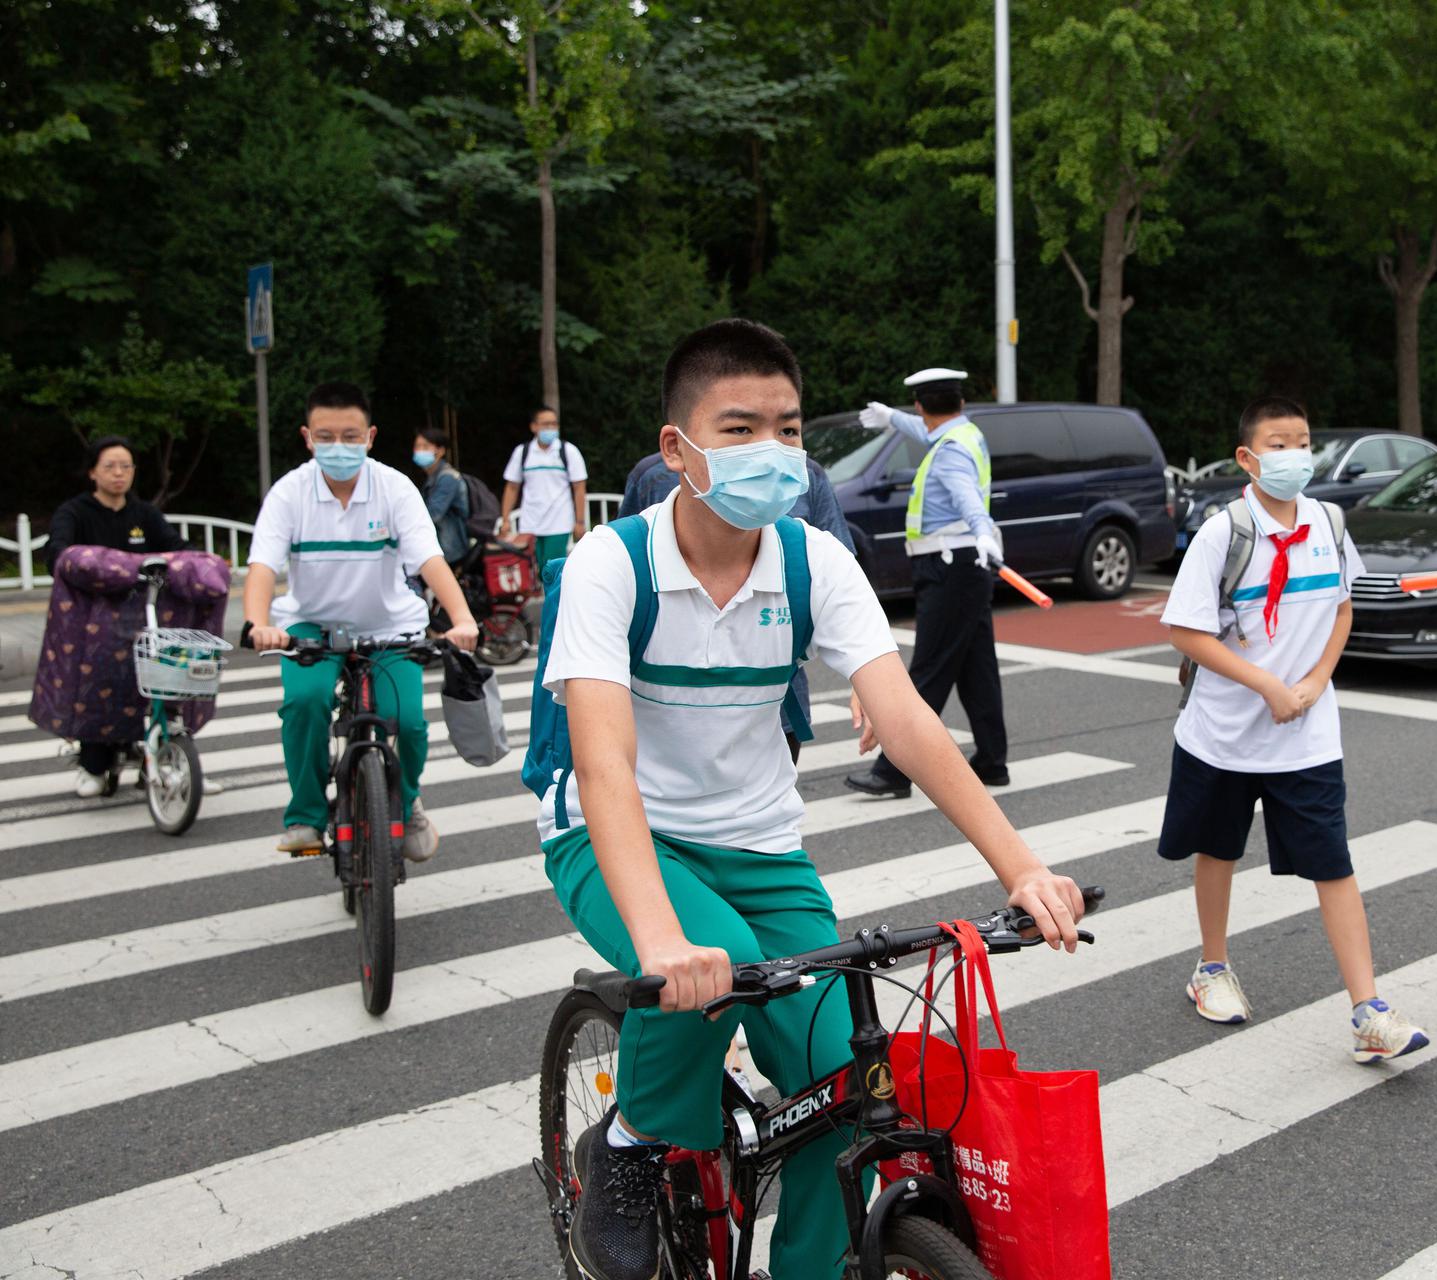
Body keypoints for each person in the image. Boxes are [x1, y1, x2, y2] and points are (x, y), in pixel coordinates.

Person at [538, 319, 1085, 1280]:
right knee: (719, 965)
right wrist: (663, 939)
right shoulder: (609, 564)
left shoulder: (811, 560)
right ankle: (625, 1144)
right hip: (616, 839)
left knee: (849, 1090)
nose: (774, 452)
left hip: (762, 851)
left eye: (789, 430)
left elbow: (907, 722)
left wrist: (1023, 867)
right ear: (679, 450)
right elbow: (604, 765)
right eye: (740, 429)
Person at [1159, 396, 1430, 1064]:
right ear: (1247, 458)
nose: (1294, 455)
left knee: (1333, 864)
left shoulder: (1330, 522)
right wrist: (1267, 684)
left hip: (1308, 737)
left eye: (1302, 441)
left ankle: (1368, 1010)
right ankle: (1212, 969)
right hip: (1222, 733)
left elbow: (1341, 610)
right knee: (1218, 849)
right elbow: (1186, 630)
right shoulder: (1226, 532)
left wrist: (1312, 683)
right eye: (1278, 444)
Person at [243, 382, 480, 858]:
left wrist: (462, 619)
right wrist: (256, 623)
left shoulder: (394, 487)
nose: (339, 446)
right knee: (305, 704)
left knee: (410, 722)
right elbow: (263, 567)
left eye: (350, 436)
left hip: (391, 627)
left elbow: (429, 560)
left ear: (370, 436)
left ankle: (408, 803)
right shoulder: (289, 493)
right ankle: (306, 816)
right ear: (307, 437)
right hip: (311, 624)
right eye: (326, 436)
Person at [620, 447, 859, 761]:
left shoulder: (804, 473)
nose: (768, 444)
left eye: (787, 428)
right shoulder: (651, 477)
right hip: (664, 717)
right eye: (739, 427)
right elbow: (625, 574)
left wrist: (864, 676)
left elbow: (842, 584)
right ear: (676, 443)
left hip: (775, 709)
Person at [842, 368, 1008, 798]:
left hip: (949, 565)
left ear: (921, 404)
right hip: (967, 564)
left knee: (928, 669)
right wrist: (892, 417)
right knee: (976, 669)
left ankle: (893, 771)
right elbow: (925, 428)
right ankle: (992, 761)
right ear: (961, 404)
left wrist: (982, 530)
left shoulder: (950, 450)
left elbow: (965, 495)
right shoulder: (963, 434)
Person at [45, 436, 192, 798]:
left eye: (125, 466)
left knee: (170, 669)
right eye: (109, 466)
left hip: (143, 613)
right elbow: (58, 555)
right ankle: (93, 763)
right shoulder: (75, 513)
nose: (118, 473)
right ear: (93, 472)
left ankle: (168, 754)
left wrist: (199, 563)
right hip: (91, 619)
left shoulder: (144, 514)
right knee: (98, 677)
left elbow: (175, 547)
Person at [498, 405, 588, 566]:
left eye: (554, 424)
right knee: (531, 570)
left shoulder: (568, 451)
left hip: (559, 521)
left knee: (552, 569)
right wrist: (505, 519)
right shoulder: (523, 452)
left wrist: (579, 521)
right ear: (534, 426)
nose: (551, 428)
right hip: (529, 522)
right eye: (546, 424)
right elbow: (512, 487)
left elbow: (579, 488)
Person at [412, 427, 470, 565]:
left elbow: (433, 514)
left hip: (449, 549)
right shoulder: (433, 477)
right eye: (417, 446)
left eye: (425, 446)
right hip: (438, 547)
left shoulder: (447, 478)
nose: (420, 450)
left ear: (441, 450)